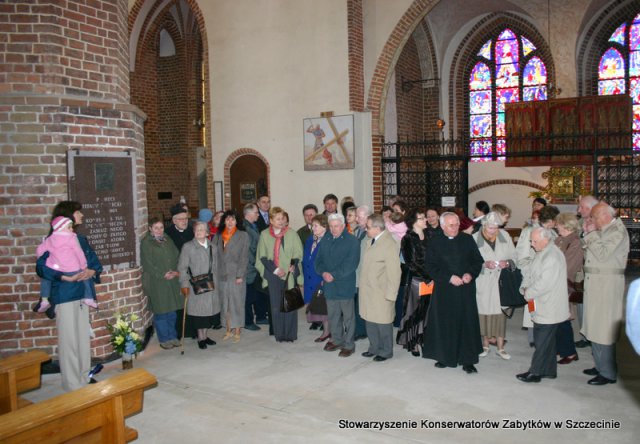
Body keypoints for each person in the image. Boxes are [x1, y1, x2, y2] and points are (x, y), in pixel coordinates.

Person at [36, 201, 103, 391]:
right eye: (78, 212)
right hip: (63, 295)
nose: (81, 215)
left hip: (82, 293)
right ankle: (72, 383)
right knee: (69, 340)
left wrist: (91, 271)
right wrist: (64, 276)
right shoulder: (52, 240)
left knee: (82, 338)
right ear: (68, 216)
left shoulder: (79, 238)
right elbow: (41, 268)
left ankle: (84, 375)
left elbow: (94, 263)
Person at [423, 212, 484, 374]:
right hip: (445, 290)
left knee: (467, 323)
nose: (455, 227)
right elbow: (430, 266)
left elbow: (477, 261)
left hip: (465, 290)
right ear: (443, 226)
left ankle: (468, 360)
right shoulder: (435, 242)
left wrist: (470, 274)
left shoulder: (467, 239)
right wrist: (449, 278)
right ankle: (444, 356)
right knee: (445, 324)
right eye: (451, 225)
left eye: (457, 224)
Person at [581, 202, 629, 385]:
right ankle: (600, 364)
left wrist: (591, 234)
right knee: (594, 326)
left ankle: (608, 372)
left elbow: (602, 254)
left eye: (594, 217)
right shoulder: (605, 230)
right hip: (596, 285)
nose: (592, 220)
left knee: (603, 328)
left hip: (606, 286)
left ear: (604, 215)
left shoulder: (617, 231)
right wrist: (589, 234)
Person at [516, 227, 569, 383]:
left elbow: (544, 283)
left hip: (549, 306)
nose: (532, 244)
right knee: (548, 342)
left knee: (542, 341)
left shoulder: (552, 256)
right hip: (541, 304)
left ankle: (536, 372)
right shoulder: (543, 252)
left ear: (545, 240)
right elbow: (531, 273)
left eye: (534, 241)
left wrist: (528, 293)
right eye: (531, 241)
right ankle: (549, 371)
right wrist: (524, 287)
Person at [314, 213, 361, 357]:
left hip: (344, 284)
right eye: (331, 226)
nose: (334, 229)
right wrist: (323, 273)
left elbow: (351, 264)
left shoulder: (352, 241)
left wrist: (333, 275)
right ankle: (336, 340)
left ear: (343, 226)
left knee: (348, 317)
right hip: (329, 285)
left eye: (337, 226)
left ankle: (349, 344)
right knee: (333, 315)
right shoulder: (326, 239)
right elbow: (318, 260)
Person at [255, 206, 303, 342]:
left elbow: (298, 253)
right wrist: (275, 270)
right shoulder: (264, 234)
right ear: (271, 220)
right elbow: (262, 256)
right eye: (278, 219)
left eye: (282, 218)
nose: (281, 221)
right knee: (276, 306)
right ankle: (280, 334)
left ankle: (290, 335)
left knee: (290, 304)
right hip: (273, 274)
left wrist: (293, 265)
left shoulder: (292, 233)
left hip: (289, 274)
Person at [473, 212, 516, 360]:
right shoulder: (474, 238)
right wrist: (484, 264)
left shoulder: (505, 236)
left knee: (500, 314)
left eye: (496, 228)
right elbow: (470, 261)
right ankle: (485, 345)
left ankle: (501, 347)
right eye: (490, 228)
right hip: (483, 281)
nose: (493, 231)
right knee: (484, 314)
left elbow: (515, 256)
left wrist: (508, 263)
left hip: (501, 281)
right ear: (484, 226)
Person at [359, 213, 401, 361]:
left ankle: (386, 351)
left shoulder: (389, 244)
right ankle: (374, 347)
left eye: (368, 227)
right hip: (368, 290)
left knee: (383, 323)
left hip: (381, 292)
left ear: (377, 228)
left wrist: (391, 295)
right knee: (370, 321)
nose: (366, 229)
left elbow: (395, 272)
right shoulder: (370, 241)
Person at [36, 216, 96, 312]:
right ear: (60, 228)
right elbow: (79, 253)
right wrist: (83, 266)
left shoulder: (50, 239)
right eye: (69, 227)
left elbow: (40, 250)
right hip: (73, 269)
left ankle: (44, 300)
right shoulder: (71, 238)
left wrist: (41, 258)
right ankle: (89, 297)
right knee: (85, 277)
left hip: (58, 269)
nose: (72, 229)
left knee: (46, 279)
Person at [140, 217, 183, 349]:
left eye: (161, 227)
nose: (159, 230)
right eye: (156, 228)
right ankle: (164, 338)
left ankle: (173, 336)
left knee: (172, 311)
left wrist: (176, 271)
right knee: (161, 311)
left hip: (172, 279)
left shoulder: (167, 239)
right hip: (157, 281)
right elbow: (147, 263)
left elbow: (177, 255)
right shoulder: (146, 242)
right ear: (150, 229)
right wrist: (162, 274)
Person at [178, 221, 220, 349]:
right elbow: (182, 267)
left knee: (208, 313)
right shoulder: (188, 247)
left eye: (201, 230)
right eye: (196, 230)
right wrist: (184, 284)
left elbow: (216, 266)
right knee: (199, 314)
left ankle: (205, 336)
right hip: (196, 285)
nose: (198, 232)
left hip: (211, 284)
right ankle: (200, 338)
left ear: (207, 233)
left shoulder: (213, 247)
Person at [396, 208, 432, 357]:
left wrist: (433, 275)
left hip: (431, 279)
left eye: (424, 217)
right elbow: (411, 263)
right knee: (414, 312)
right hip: (417, 280)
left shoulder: (429, 235)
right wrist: (427, 277)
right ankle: (413, 342)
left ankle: (423, 339)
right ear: (413, 222)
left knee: (426, 311)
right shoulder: (408, 238)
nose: (425, 220)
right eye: (422, 218)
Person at [215, 210, 249, 343]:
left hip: (236, 274)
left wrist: (240, 275)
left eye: (233, 219)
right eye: (227, 219)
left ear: (237, 221)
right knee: (225, 304)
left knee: (237, 303)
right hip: (221, 274)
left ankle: (237, 330)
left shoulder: (243, 235)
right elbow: (214, 256)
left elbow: (244, 257)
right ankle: (228, 329)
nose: (230, 222)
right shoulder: (218, 236)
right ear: (224, 221)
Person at [554, 212, 583, 364]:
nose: (556, 226)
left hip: (563, 283)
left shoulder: (575, 242)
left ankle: (570, 352)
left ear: (566, 225)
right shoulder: (559, 239)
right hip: (554, 282)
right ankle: (561, 348)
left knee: (563, 319)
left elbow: (570, 266)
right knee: (556, 318)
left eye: (558, 223)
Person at [303, 214, 330, 341]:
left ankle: (327, 332)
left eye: (316, 226)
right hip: (309, 277)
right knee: (315, 305)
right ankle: (324, 329)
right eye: (312, 225)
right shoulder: (310, 239)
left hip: (321, 278)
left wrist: (325, 278)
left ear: (324, 227)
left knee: (323, 306)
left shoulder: (328, 241)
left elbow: (330, 262)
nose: (313, 228)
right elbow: (306, 257)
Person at [243, 203, 267, 331]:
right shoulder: (245, 229)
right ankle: (248, 321)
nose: (258, 214)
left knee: (258, 293)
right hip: (250, 268)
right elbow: (248, 251)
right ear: (248, 213)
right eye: (256, 212)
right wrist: (255, 264)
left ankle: (260, 317)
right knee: (248, 296)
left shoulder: (253, 226)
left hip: (256, 266)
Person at [353, 205, 372, 341]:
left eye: (359, 217)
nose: (356, 219)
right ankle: (359, 330)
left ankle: (364, 330)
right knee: (357, 303)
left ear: (368, 217)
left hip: (366, 274)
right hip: (356, 273)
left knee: (365, 304)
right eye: (356, 216)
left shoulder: (373, 233)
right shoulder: (356, 231)